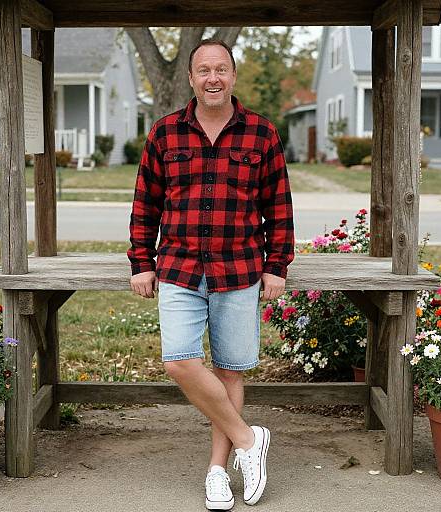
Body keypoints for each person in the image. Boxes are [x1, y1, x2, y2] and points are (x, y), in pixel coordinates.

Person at [127, 39, 295, 509]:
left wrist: (277, 264)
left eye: (221, 69)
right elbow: (146, 204)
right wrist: (142, 261)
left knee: (230, 370)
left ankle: (217, 472)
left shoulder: (262, 134)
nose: (213, 78)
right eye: (204, 70)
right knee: (179, 360)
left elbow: (278, 207)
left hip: (239, 268)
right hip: (179, 265)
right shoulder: (164, 134)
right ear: (191, 78)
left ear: (233, 76)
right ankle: (248, 440)